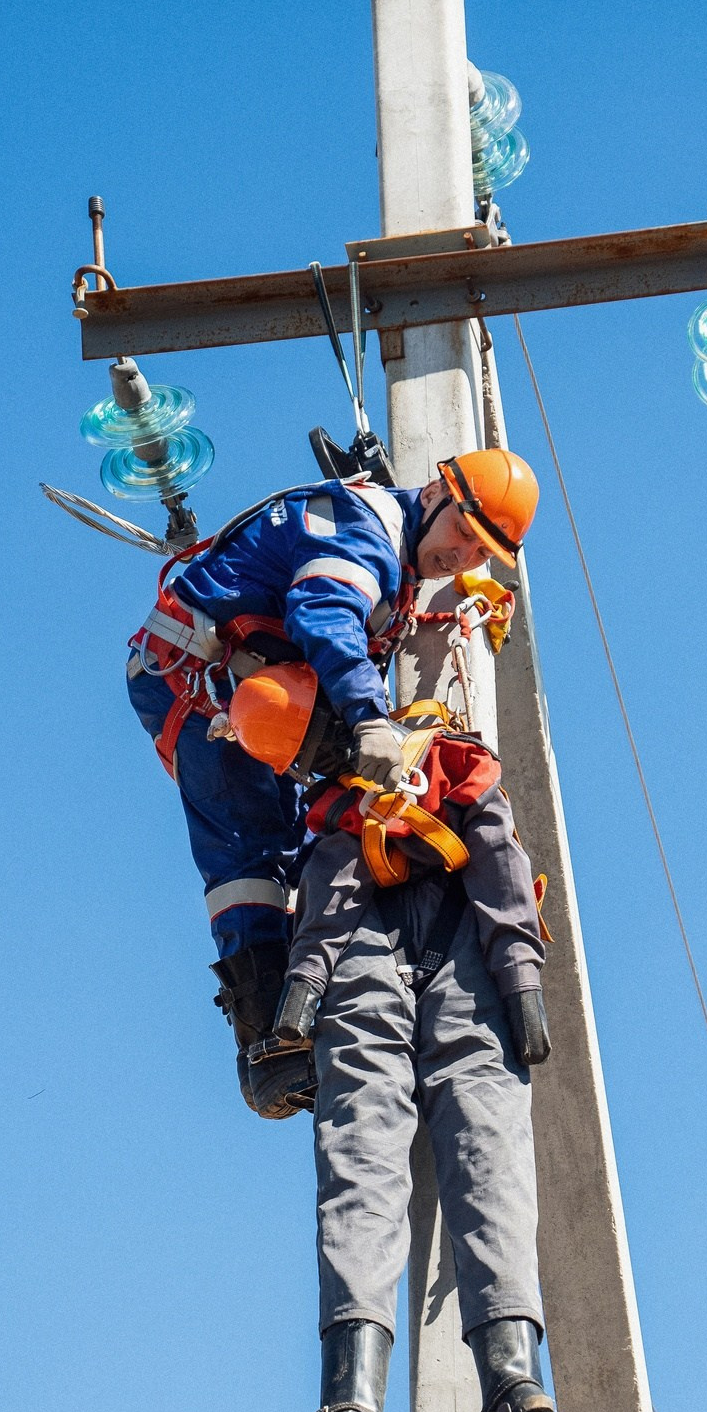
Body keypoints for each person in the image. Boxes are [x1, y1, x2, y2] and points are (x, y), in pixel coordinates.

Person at [228, 685, 567, 1412]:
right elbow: (498, 867)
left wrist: (300, 994)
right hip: (466, 953)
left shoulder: (350, 795)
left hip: (367, 954)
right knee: (487, 1151)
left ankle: (353, 1402)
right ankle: (514, 1382)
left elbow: (330, 886)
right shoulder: (463, 775)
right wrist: (522, 985)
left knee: (362, 1157)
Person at [124, 448, 540, 1118]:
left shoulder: (394, 556)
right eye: (463, 529)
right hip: (197, 678)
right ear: (434, 490)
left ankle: (297, 1018)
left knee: (303, 835)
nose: (462, 555)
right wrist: (370, 716)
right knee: (254, 853)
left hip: (240, 682)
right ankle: (271, 1053)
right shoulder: (367, 528)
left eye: (481, 551)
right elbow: (326, 613)